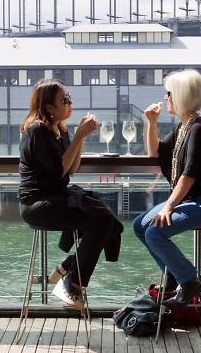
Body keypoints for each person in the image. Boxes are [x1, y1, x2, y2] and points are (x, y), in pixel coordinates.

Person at [18, 79, 123, 309]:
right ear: (48, 107)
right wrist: (78, 137)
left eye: (69, 97)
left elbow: (72, 169)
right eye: (64, 100)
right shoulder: (37, 130)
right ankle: (72, 283)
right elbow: (57, 172)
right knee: (102, 220)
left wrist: (80, 137)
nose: (69, 103)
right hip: (38, 203)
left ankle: (67, 267)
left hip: (57, 197)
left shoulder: (59, 129)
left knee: (111, 221)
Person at [133, 69, 201, 309]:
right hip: (192, 201)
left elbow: (190, 174)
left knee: (154, 232)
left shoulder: (199, 129)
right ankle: (172, 276)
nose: (166, 98)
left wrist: (168, 207)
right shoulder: (184, 128)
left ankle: (188, 281)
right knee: (139, 226)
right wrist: (151, 123)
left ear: (181, 95)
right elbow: (155, 153)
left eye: (169, 93)